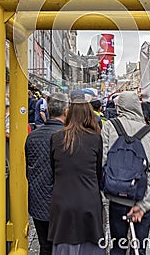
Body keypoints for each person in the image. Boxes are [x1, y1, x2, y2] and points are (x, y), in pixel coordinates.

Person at [101, 91, 150, 255]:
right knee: (139, 248)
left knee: (117, 245)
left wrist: (104, 193)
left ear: (119, 107)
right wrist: (145, 205)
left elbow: (103, 160)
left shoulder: (110, 126)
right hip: (142, 198)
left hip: (117, 196)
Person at [48, 98, 105, 255]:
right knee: (91, 245)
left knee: (64, 246)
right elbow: (98, 172)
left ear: (69, 114)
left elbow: (53, 170)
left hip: (62, 200)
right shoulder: (95, 139)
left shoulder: (57, 138)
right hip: (89, 200)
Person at [25, 93, 69, 255]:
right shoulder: (68, 136)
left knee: (45, 247)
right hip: (62, 203)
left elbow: (27, 170)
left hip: (37, 201)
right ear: (65, 111)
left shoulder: (32, 137)